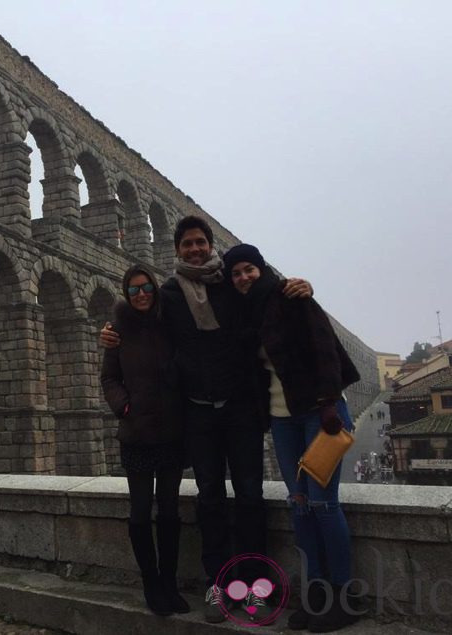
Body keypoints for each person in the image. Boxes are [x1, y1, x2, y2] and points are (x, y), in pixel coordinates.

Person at [101, 216, 311, 624]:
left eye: (200, 242)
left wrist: (299, 288)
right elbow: (136, 315)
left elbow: (266, 292)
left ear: (210, 245)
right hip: (197, 412)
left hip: (240, 409)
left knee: (250, 495)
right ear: (176, 250)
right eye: (187, 244)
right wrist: (110, 331)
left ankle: (253, 587)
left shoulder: (231, 284)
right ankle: (220, 585)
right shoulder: (169, 295)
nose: (195, 249)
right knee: (210, 497)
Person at [224, 243, 360, 633]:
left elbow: (325, 349)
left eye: (248, 269)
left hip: (320, 412)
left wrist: (329, 401)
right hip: (282, 419)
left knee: (323, 503)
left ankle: (343, 596)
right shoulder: (243, 314)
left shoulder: (292, 296)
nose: (243, 277)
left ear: (260, 268)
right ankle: (315, 594)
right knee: (299, 504)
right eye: (236, 273)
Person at [100, 263, 188, 616]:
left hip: (171, 433)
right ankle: (151, 582)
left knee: (169, 510)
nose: (141, 294)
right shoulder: (117, 330)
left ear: (155, 288)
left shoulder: (172, 324)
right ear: (126, 293)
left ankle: (169, 582)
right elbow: (109, 378)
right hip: (136, 433)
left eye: (146, 287)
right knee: (139, 512)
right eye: (134, 289)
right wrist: (123, 407)